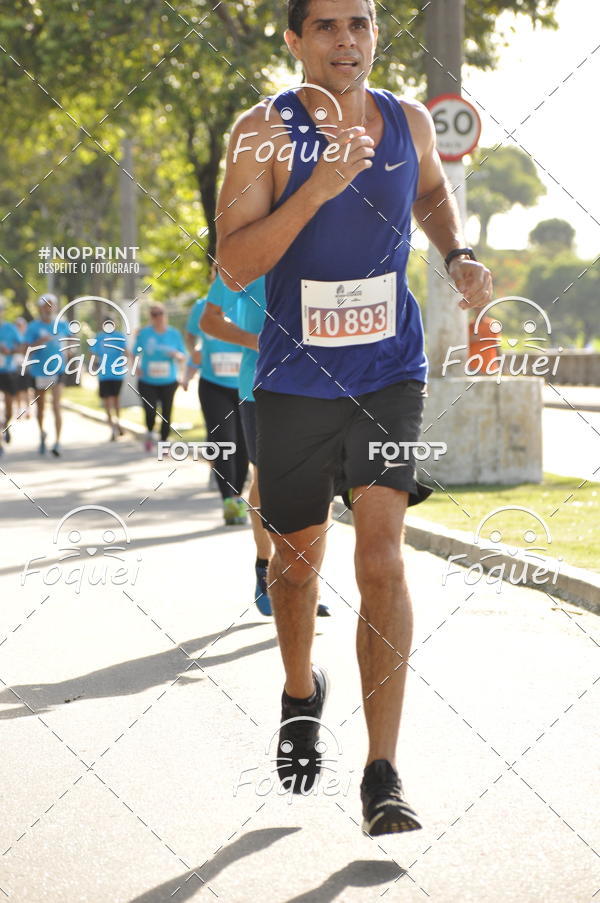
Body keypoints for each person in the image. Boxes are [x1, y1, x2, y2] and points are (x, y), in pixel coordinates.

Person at [216, 0, 493, 835]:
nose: (348, 41)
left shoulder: (407, 121)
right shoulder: (263, 132)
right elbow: (233, 263)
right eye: (328, 27)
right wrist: (321, 186)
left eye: (361, 25)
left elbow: (434, 196)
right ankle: (301, 691)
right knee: (296, 566)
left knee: (381, 560)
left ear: (376, 36)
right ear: (296, 40)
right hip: (296, 380)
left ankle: (383, 771)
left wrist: (457, 254)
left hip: (387, 371)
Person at [200, 275, 332, 617]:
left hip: (313, 387)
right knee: (266, 479)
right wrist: (257, 340)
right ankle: (265, 569)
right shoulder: (247, 259)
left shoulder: (310, 251)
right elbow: (209, 319)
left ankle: (304, 579)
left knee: (314, 481)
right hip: (260, 389)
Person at [191, 273, 249, 526]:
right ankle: (228, 500)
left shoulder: (248, 302)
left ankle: (237, 496)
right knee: (225, 443)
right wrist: (194, 352)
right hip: (213, 385)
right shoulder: (202, 306)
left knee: (244, 446)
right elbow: (191, 335)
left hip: (244, 385)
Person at [22, 294, 70, 456]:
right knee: (41, 407)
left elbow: (70, 342)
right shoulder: (33, 327)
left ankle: (57, 442)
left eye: (50, 305)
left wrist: (69, 351)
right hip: (38, 371)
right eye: (45, 306)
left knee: (56, 405)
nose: (48, 308)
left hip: (58, 369)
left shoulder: (62, 324)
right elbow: (25, 348)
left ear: (55, 307)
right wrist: (39, 342)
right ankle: (42, 433)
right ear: (40, 308)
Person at [136, 303, 186, 452]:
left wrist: (176, 355)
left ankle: (164, 442)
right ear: (150, 317)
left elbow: (182, 356)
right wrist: (136, 367)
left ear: (165, 315)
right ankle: (150, 432)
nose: (158, 317)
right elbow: (134, 352)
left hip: (169, 381)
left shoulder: (174, 334)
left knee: (167, 411)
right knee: (150, 410)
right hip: (147, 381)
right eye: (154, 314)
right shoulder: (144, 334)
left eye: (160, 313)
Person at [91, 317, 129, 440]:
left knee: (116, 401)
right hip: (103, 374)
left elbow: (126, 353)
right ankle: (114, 427)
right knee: (107, 402)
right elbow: (93, 354)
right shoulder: (99, 337)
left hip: (117, 374)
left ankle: (117, 424)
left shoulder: (119, 336)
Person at [0, 298, 21, 455]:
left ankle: (5, 425)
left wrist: (10, 351)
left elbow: (21, 346)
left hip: (8, 371)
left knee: (8, 407)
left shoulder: (10, 328)